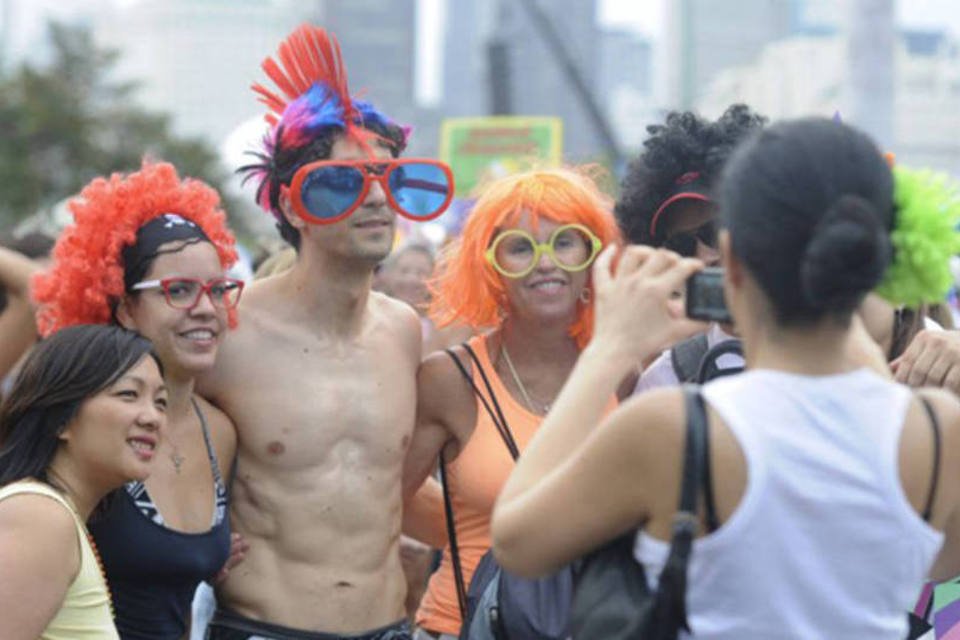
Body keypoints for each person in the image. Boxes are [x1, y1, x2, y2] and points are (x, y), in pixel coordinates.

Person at [491, 118, 960, 639]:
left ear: (731, 259)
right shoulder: (939, 428)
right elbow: (942, 565)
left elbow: (516, 540)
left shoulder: (673, 427)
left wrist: (609, 349)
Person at [199, 24, 454, 639]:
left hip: (387, 625)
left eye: (389, 179)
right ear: (290, 207)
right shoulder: (226, 334)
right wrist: (192, 545)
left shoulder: (403, 334)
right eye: (342, 182)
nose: (374, 199)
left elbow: (388, 487)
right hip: (265, 628)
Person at [402, 167, 622, 639]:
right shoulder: (450, 378)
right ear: (492, 270)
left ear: (593, 256)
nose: (546, 262)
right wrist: (481, 536)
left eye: (565, 241)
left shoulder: (621, 370)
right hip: (466, 625)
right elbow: (388, 501)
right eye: (521, 248)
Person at [32, 161, 246, 640]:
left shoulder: (221, 432)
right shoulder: (82, 418)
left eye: (218, 289)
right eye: (179, 290)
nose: (207, 309)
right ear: (125, 307)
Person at [0, 324, 167, 640]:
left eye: (161, 402)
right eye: (128, 394)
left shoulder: (54, 517)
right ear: (61, 419)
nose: (153, 417)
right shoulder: (39, 516)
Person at [615, 105, 766, 387]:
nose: (704, 256)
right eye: (681, 246)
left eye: (715, 231)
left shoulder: (836, 355)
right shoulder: (664, 381)